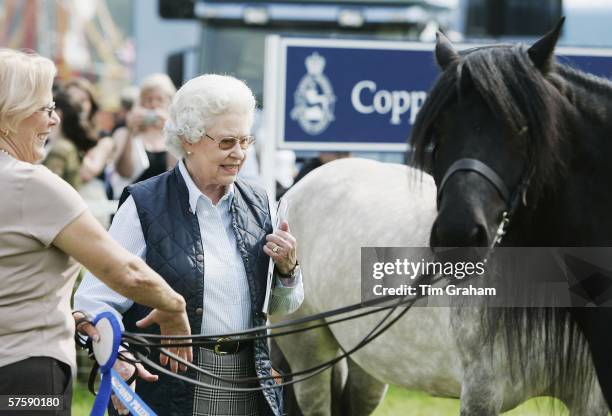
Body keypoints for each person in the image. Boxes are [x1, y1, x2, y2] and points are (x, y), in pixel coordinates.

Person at [74, 74, 304, 416]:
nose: (239, 154)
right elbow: (93, 302)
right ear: (189, 139)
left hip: (249, 383)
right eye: (227, 142)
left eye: (245, 140)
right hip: (170, 384)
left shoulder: (262, 203)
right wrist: (117, 361)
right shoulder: (143, 205)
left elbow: (282, 307)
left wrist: (288, 271)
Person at [0, 49, 192, 415]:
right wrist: (173, 305)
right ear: (11, 114)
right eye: (45, 109)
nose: (55, 120)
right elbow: (124, 271)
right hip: (25, 374)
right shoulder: (31, 185)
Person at [109, 73, 177, 199]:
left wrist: (170, 130)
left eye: (159, 99)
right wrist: (130, 132)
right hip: (131, 203)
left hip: (164, 204)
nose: (153, 105)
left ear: (170, 102)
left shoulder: (176, 134)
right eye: (148, 99)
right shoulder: (124, 133)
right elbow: (124, 172)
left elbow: (177, 171)